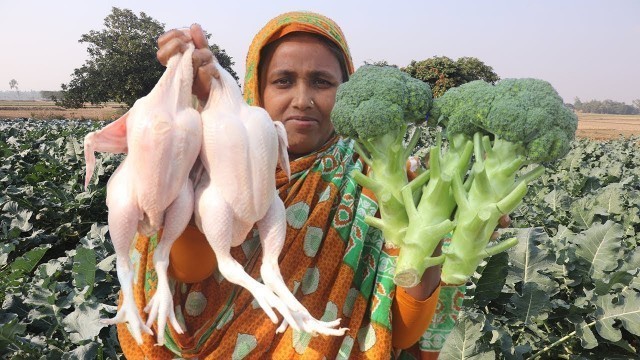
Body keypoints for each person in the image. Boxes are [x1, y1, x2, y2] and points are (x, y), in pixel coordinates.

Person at [117, 11, 454, 359]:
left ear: (347, 90)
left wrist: (435, 237)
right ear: (256, 87)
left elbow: (401, 331)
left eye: (322, 82)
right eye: (283, 81)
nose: (302, 99)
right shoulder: (204, 152)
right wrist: (206, 130)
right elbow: (191, 273)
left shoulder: (388, 183)